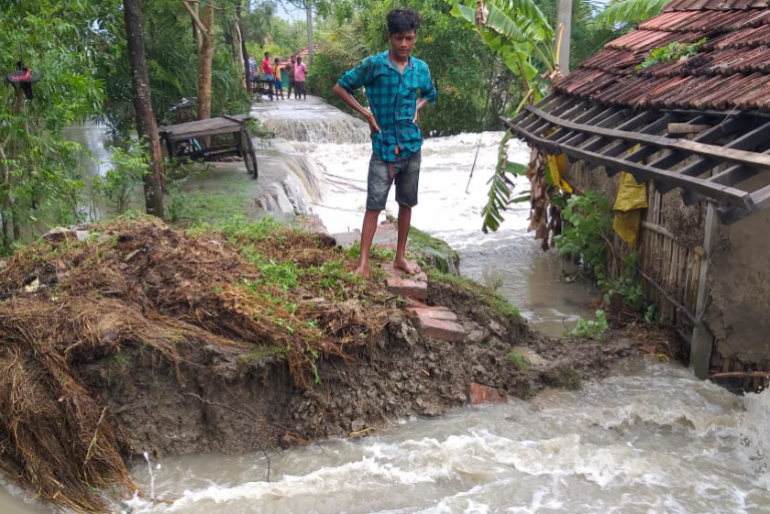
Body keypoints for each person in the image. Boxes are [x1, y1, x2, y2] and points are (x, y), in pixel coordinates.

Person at [333, 8, 436, 278]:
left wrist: (417, 107)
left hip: (411, 147)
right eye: (399, 38)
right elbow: (341, 87)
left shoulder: (420, 69)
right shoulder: (375, 65)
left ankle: (400, 257)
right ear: (390, 37)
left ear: (415, 38)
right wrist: (366, 114)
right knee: (374, 205)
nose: (404, 44)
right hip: (383, 148)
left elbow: (430, 93)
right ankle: (363, 264)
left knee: (406, 203)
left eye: (409, 38)